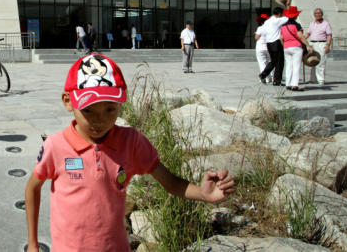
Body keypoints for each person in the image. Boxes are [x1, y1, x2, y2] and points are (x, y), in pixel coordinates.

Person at [24, 54, 235, 252]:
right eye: (88, 110)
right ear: (68, 101)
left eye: (110, 109)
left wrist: (203, 193)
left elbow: (169, 181)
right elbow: (33, 187)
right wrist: (33, 244)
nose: (99, 120)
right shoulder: (56, 145)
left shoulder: (132, 143)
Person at [280, 6, 313, 92]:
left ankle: (288, 84)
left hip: (286, 47)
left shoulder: (283, 26)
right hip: (296, 47)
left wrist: (285, 45)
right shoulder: (297, 25)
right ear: (296, 16)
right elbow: (300, 36)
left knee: (288, 66)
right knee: (296, 66)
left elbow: (281, 38)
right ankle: (295, 85)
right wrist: (308, 46)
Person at [258, 7, 288, 86]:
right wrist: (287, 6)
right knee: (279, 62)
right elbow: (288, 17)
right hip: (276, 43)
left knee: (273, 61)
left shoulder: (267, 22)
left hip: (269, 43)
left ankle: (264, 74)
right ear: (279, 14)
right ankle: (276, 81)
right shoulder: (277, 20)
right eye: (281, 14)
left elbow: (264, 32)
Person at [305, 8, 332, 85]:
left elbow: (329, 35)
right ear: (314, 15)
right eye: (316, 13)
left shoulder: (326, 23)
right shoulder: (312, 23)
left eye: (319, 13)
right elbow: (308, 34)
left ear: (322, 14)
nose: (318, 14)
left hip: (321, 44)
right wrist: (301, 39)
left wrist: (328, 45)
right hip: (312, 44)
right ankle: (313, 79)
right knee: (312, 61)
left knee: (320, 62)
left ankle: (321, 80)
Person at [254, 14, 273, 83]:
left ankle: (263, 77)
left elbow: (256, 37)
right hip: (269, 47)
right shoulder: (270, 28)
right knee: (270, 63)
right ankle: (270, 78)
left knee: (262, 63)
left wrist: (256, 33)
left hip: (260, 47)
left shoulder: (260, 28)